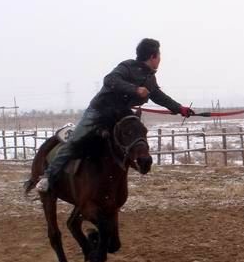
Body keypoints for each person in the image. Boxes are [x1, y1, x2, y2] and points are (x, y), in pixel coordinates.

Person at [36, 38, 194, 192]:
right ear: (153, 57)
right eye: (159, 56)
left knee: (134, 134)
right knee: (75, 141)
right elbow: (110, 80)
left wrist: (180, 109)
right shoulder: (126, 67)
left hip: (120, 113)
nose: (160, 59)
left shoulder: (150, 79)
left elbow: (159, 96)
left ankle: (135, 164)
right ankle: (48, 177)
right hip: (99, 111)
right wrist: (135, 89)